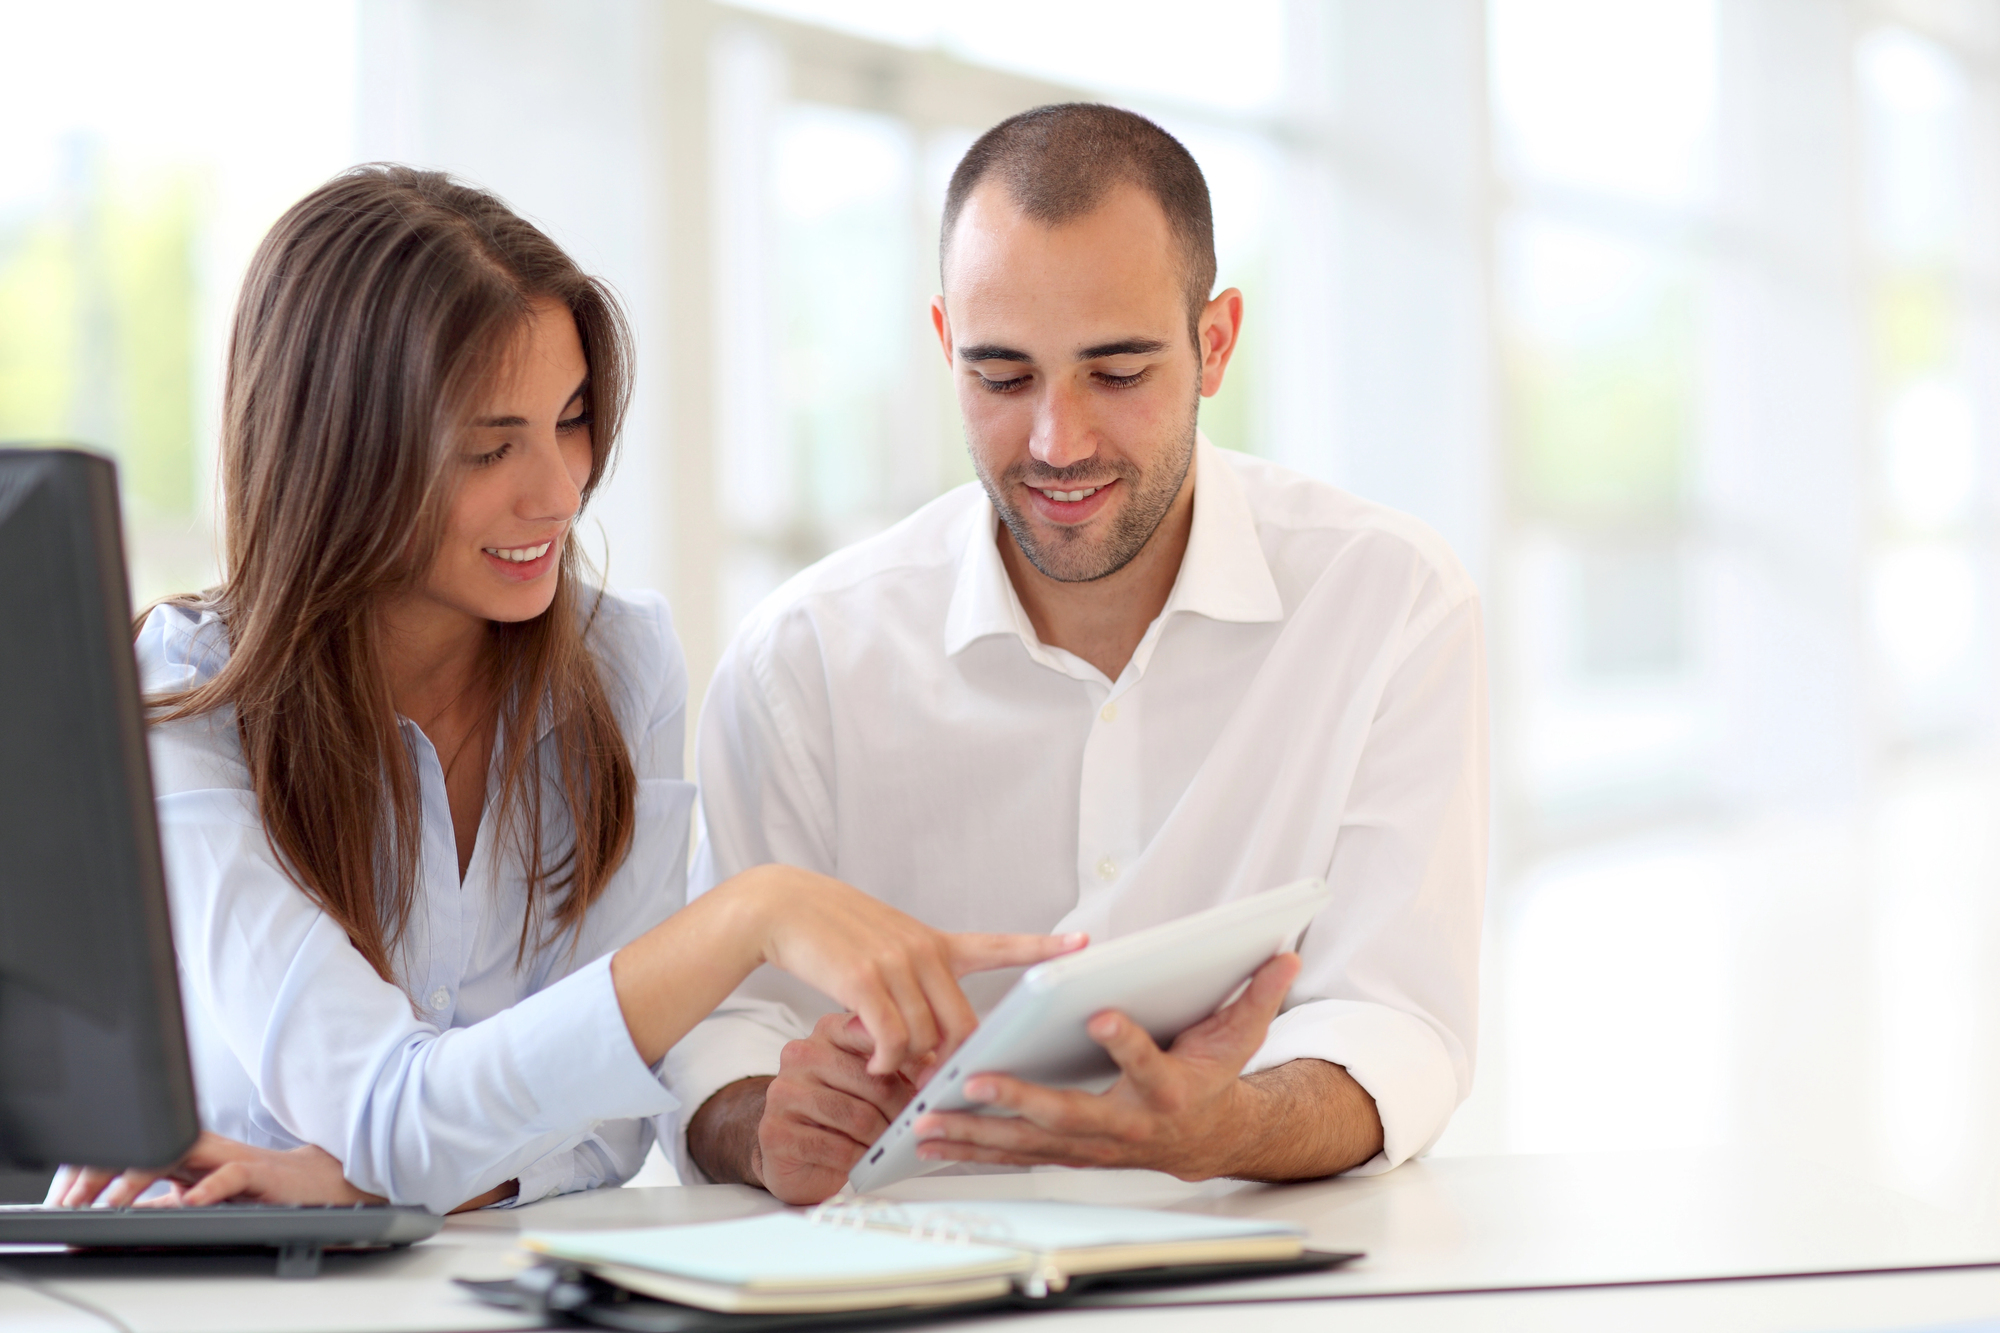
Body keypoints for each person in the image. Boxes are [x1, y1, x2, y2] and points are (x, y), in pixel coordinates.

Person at [46, 166, 1075, 1214]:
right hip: (216, 1282)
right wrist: (749, 915)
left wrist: (363, 1184)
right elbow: (394, 1112)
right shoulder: (188, 697)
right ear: (339, 454)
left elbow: (608, 1122)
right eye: (489, 446)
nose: (557, 491)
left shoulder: (621, 665)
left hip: (486, 1274)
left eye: (572, 419)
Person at [673, 104, 1487, 1204]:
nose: (1058, 443)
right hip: (909, 1265)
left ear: (1214, 342)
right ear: (945, 345)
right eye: (1002, 378)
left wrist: (1224, 1125)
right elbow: (717, 1030)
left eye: (1117, 373)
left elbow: (1397, 1019)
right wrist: (761, 1126)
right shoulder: (803, 660)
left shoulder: (1384, 600)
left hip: (1250, 1254)